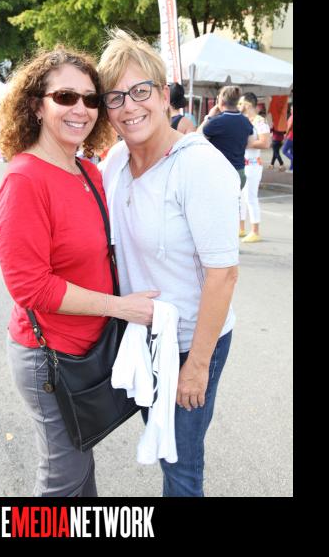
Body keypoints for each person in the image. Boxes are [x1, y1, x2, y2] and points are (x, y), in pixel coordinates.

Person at [0, 45, 159, 497]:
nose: (80, 108)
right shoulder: (25, 180)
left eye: (90, 98)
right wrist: (120, 307)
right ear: (37, 106)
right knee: (63, 479)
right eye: (65, 97)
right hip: (50, 358)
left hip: (88, 351)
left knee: (80, 473)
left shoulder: (88, 173)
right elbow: (30, 287)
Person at [98, 29, 240, 497]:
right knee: (164, 447)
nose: (129, 106)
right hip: (144, 337)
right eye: (116, 97)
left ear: (163, 96)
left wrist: (197, 366)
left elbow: (223, 274)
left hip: (190, 342)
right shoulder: (116, 161)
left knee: (180, 465)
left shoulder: (198, 166)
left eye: (140, 91)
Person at [197, 86, 254, 193]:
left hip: (221, 172)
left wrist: (209, 116)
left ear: (221, 101)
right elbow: (250, 143)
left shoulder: (216, 122)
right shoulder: (246, 121)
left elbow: (197, 137)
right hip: (239, 171)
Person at [238, 92, 271, 243]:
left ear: (249, 105)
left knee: (250, 198)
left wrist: (244, 144)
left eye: (241, 103)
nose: (238, 106)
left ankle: (255, 231)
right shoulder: (242, 120)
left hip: (252, 164)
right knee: (240, 198)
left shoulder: (260, 121)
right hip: (242, 163)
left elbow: (265, 143)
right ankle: (241, 228)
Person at [282, 104, 293, 172]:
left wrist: (285, 135)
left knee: (284, 150)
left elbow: (289, 127)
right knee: (292, 153)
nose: (290, 110)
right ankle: (292, 169)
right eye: (291, 109)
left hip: (290, 137)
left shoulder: (292, 117)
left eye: (291, 109)